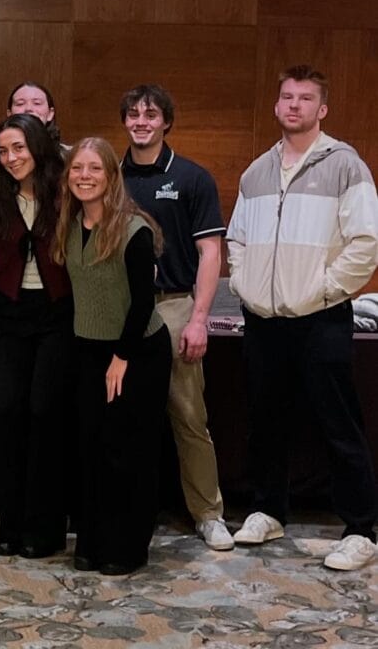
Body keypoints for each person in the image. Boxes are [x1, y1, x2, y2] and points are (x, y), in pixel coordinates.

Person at [227, 65, 378, 572]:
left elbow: (365, 243)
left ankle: (361, 528)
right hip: (265, 320)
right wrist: (246, 287)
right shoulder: (256, 171)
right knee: (266, 420)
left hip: (321, 319)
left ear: (322, 109)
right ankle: (269, 510)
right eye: (287, 97)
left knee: (338, 424)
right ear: (276, 106)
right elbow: (237, 240)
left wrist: (325, 289)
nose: (294, 105)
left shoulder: (345, 166)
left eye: (305, 98)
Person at [119, 84, 232, 551]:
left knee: (188, 414)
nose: (141, 122)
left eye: (151, 114)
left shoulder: (191, 178)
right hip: (120, 308)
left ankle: (208, 513)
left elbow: (211, 252)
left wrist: (199, 318)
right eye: (132, 114)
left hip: (174, 305)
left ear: (166, 121)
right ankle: (121, 509)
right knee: (120, 415)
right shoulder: (109, 176)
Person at [54, 137, 171, 576]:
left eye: (94, 169)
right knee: (91, 448)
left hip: (135, 351)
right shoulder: (69, 224)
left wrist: (121, 358)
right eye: (77, 169)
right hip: (89, 349)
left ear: (111, 176)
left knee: (127, 451)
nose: (84, 176)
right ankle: (92, 541)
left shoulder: (133, 230)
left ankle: (127, 546)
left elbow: (143, 303)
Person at [0, 114, 75, 558]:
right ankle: (10, 519)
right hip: (6, 312)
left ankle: (45, 524)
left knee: (45, 413)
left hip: (56, 313)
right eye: (3, 151)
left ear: (36, 145)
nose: (11, 158)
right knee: (7, 412)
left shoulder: (65, 188)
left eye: (19, 147)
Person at [7, 81, 65, 152]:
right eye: (20, 104)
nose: (28, 109)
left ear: (50, 114)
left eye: (37, 103)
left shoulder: (69, 157)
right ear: (9, 114)